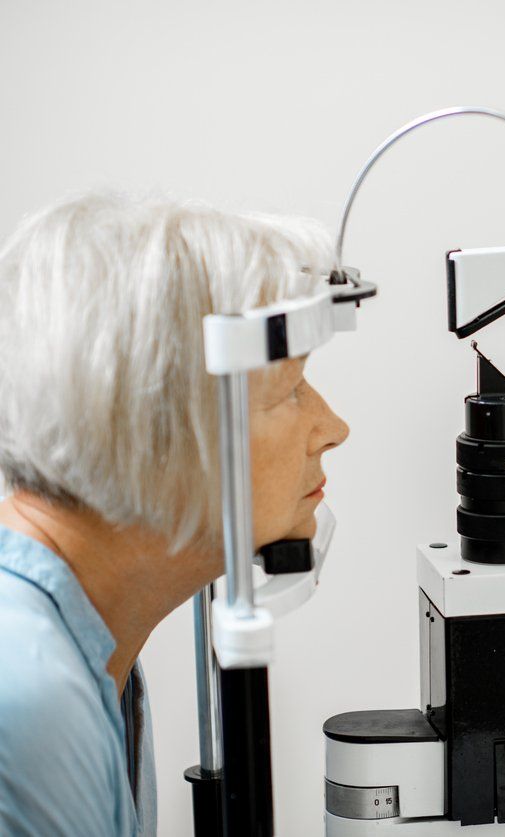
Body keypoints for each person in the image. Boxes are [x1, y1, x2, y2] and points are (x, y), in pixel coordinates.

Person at [0, 193, 350, 836]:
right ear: (159, 428)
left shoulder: (94, 654)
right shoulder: (26, 697)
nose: (333, 428)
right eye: (292, 388)